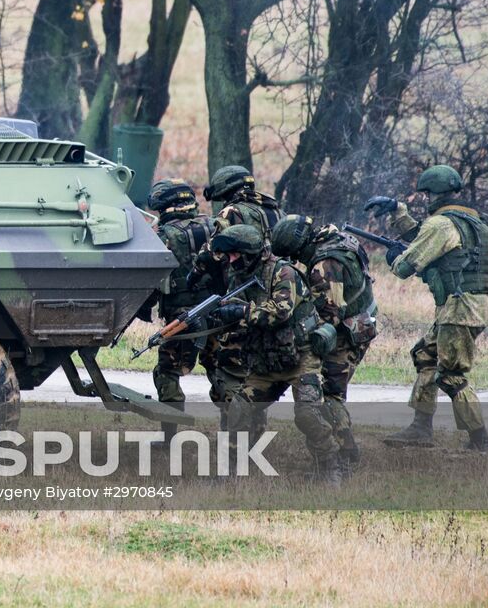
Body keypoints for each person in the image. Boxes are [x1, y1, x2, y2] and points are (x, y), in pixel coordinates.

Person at [367, 165, 488, 452]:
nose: (426, 200)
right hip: (473, 304)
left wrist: (394, 258)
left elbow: (405, 266)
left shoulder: (441, 225)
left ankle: (480, 440)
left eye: (427, 195)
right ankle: (420, 428)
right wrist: (397, 211)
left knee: (451, 374)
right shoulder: (471, 220)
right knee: (426, 355)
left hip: (460, 308)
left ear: (435, 194)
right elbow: (425, 239)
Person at [213, 224, 342, 483]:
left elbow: (280, 311)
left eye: (235, 254)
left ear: (249, 253)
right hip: (266, 361)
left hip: (301, 357)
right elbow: (236, 313)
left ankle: (329, 467)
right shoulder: (239, 276)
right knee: (238, 410)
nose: (230, 260)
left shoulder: (284, 272)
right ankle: (229, 471)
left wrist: (242, 312)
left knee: (308, 415)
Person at [270, 215, 378, 471]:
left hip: (344, 335)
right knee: (333, 393)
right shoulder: (339, 238)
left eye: (294, 255)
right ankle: (345, 453)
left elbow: (328, 313)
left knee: (330, 395)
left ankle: (345, 455)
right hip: (360, 323)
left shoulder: (324, 263)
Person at [192, 165, 285, 422]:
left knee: (226, 366)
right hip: (274, 290)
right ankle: (253, 424)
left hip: (240, 292)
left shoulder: (232, 212)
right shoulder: (273, 209)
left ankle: (235, 432)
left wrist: (195, 273)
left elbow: (213, 251)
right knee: (255, 366)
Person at [146, 178, 217, 440]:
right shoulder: (213, 225)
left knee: (167, 372)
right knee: (221, 373)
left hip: (182, 319)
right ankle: (238, 435)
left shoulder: (165, 236)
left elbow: (151, 279)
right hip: (218, 313)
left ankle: (169, 437)